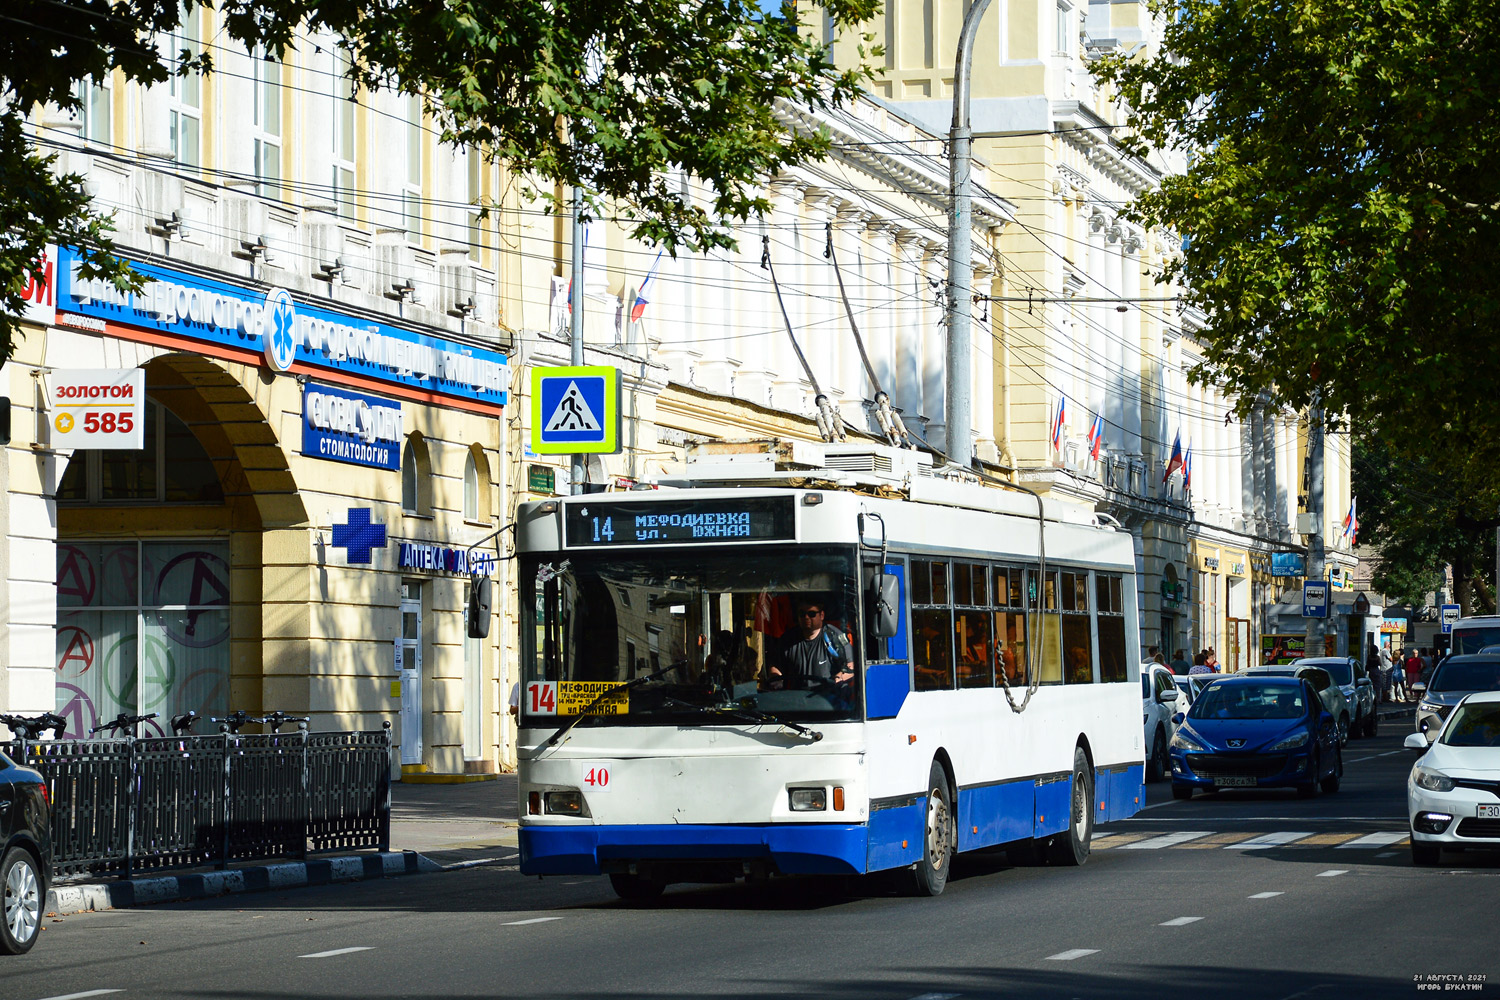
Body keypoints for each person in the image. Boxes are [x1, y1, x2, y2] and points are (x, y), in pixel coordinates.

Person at [770, 597, 854, 689]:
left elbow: (851, 666)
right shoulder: (788, 639)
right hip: (796, 698)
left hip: (827, 698)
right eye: (802, 614)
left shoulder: (833, 637)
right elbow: (775, 666)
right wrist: (776, 680)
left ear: (822, 615)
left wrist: (835, 681)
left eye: (811, 614)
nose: (806, 617)